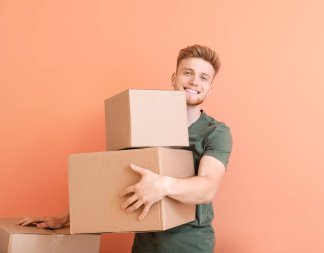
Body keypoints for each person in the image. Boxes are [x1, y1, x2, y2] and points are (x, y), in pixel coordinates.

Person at [18, 44, 232, 252]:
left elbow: (207, 187)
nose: (195, 81)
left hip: (188, 244)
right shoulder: (145, 124)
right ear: (174, 78)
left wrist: (163, 185)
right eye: (188, 73)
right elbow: (114, 177)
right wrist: (66, 217)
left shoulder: (215, 132)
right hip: (144, 241)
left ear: (210, 88)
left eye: (204, 77)